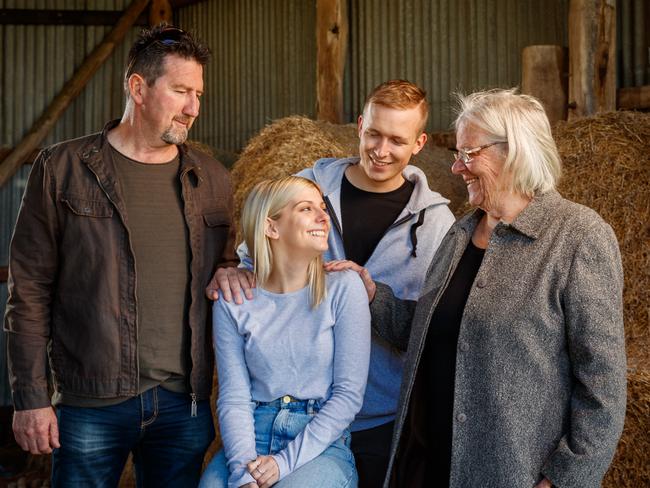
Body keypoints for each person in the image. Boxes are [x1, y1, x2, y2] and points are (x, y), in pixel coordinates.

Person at [4, 24, 237, 487]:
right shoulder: (62, 169)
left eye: (198, 93)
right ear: (138, 87)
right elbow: (27, 291)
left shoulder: (211, 177)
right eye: (180, 91)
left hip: (182, 403)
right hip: (91, 401)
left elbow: (226, 266)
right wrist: (30, 397)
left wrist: (234, 273)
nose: (194, 107)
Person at [371, 88, 627, 488]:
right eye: (457, 154)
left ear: (516, 151)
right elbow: (433, 331)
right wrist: (372, 295)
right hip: (427, 465)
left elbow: (604, 384)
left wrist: (566, 479)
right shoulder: (460, 232)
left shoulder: (576, 236)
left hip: (511, 474)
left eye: (469, 154)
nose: (457, 168)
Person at [207, 80, 456, 487]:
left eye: (397, 139)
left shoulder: (436, 225)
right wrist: (232, 269)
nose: (380, 149)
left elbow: (436, 328)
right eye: (374, 133)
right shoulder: (310, 188)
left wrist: (376, 299)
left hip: (382, 414)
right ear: (359, 125)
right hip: (289, 405)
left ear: (420, 143)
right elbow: (261, 255)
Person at [199, 176, 370, 488]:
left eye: (323, 208)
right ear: (271, 227)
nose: (323, 217)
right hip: (252, 434)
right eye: (307, 209)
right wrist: (242, 473)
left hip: (319, 441)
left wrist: (283, 464)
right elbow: (234, 397)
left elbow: (348, 396)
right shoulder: (233, 300)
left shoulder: (344, 288)